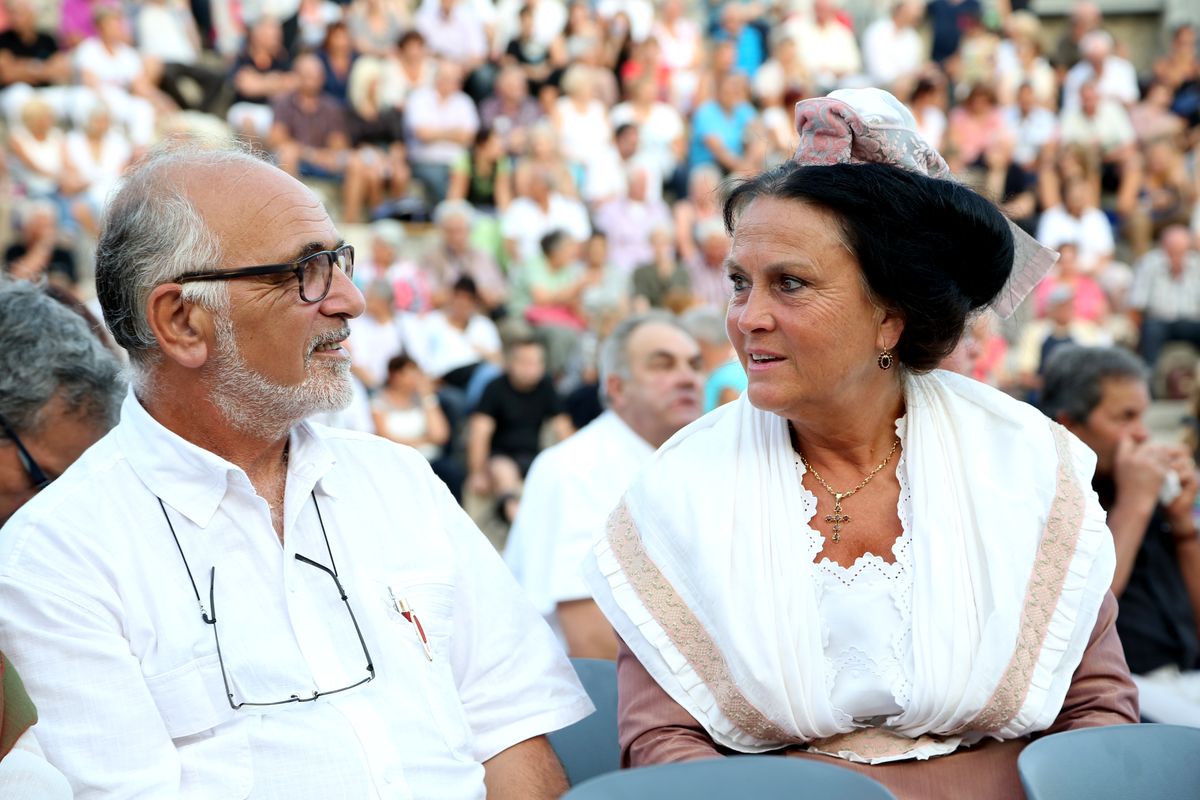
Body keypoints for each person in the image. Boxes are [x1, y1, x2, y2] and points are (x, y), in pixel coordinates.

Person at [582, 89, 1136, 799]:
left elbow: (1097, 716)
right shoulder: (680, 489)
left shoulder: (1022, 462)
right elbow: (661, 742)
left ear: (890, 318)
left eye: (790, 285)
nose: (748, 318)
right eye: (740, 284)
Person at [0, 144, 592, 798]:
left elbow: (510, 731)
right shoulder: (55, 557)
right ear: (182, 321)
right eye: (307, 271)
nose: (351, 300)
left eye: (340, 262)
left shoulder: (402, 481)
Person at [504, 314, 703, 658]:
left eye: (694, 365)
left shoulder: (698, 460)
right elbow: (591, 638)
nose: (688, 378)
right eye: (663, 365)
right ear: (616, 387)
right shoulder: (572, 469)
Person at [1041, 345, 1200, 725]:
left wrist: (1183, 526)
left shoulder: (1145, 488)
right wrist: (1135, 503)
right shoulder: (1052, 498)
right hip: (1123, 694)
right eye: (1125, 417)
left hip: (1186, 679)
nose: (1142, 433)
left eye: (1142, 415)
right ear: (1069, 425)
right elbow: (1082, 610)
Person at [468, 335, 572, 523]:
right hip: (500, 456)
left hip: (534, 456)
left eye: (536, 363)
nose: (530, 368)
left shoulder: (546, 386)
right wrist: (477, 472)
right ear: (510, 363)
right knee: (504, 471)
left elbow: (563, 428)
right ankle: (518, 522)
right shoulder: (495, 388)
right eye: (524, 362)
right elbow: (480, 432)